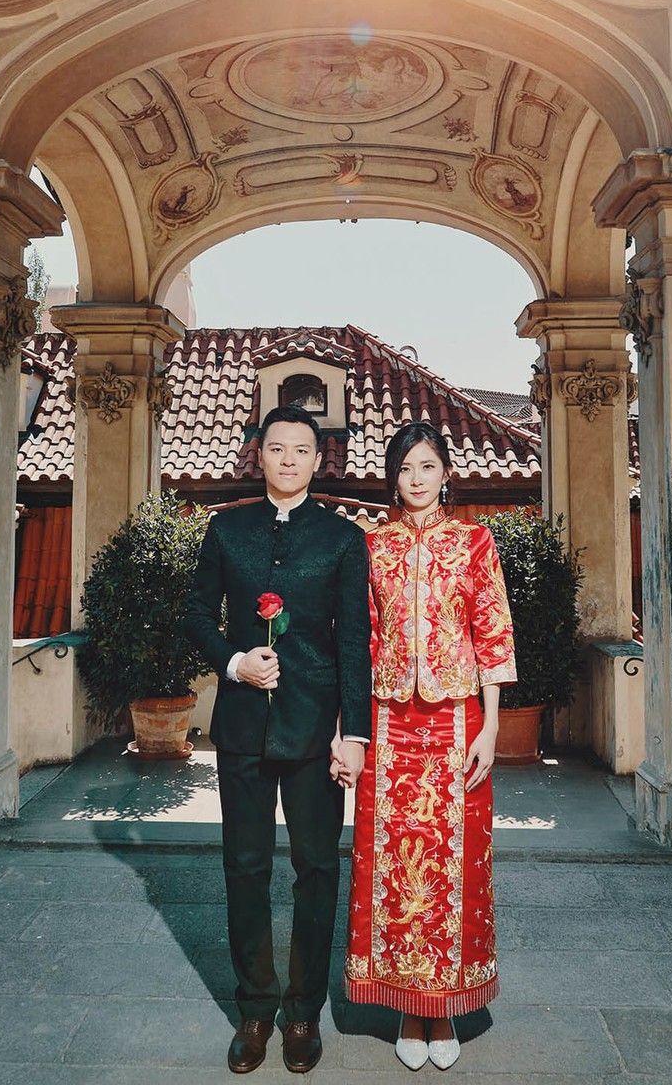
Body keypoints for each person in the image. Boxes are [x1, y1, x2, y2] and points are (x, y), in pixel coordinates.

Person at [184, 405, 372, 1075]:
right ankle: (256, 1010)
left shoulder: (343, 539)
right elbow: (198, 614)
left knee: (318, 871)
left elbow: (353, 644)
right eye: (277, 448)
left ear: (320, 460)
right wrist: (236, 662)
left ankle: (302, 1015)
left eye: (302, 450)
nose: (289, 460)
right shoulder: (226, 529)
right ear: (257, 454)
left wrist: (356, 734)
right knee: (245, 869)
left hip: (318, 731)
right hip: (241, 729)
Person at [342, 421, 517, 1070]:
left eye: (426, 466)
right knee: (392, 870)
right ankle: (407, 1014)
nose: (416, 479)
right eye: (405, 468)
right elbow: (358, 643)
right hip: (389, 727)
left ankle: (442, 1011)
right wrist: (352, 729)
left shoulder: (474, 542)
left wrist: (491, 728)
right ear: (394, 477)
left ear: (446, 472)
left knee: (454, 865)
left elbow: (493, 634)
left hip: (455, 726)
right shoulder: (372, 547)